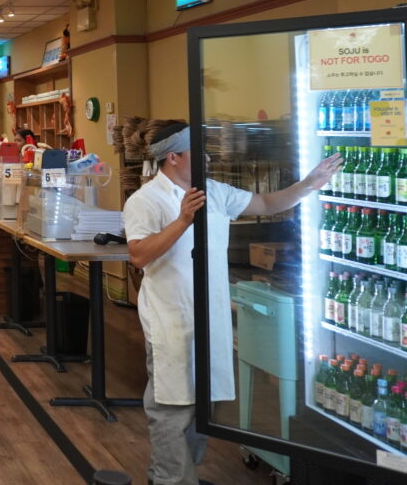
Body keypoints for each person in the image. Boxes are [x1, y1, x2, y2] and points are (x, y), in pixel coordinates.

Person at [124, 122, 340, 485]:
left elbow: (268, 203)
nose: (208, 157)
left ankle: (183, 474)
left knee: (204, 405)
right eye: (199, 151)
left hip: (210, 316)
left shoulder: (215, 192)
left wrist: (309, 183)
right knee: (172, 408)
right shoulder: (144, 200)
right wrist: (182, 220)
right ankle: (166, 479)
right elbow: (139, 255)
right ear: (173, 157)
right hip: (171, 319)